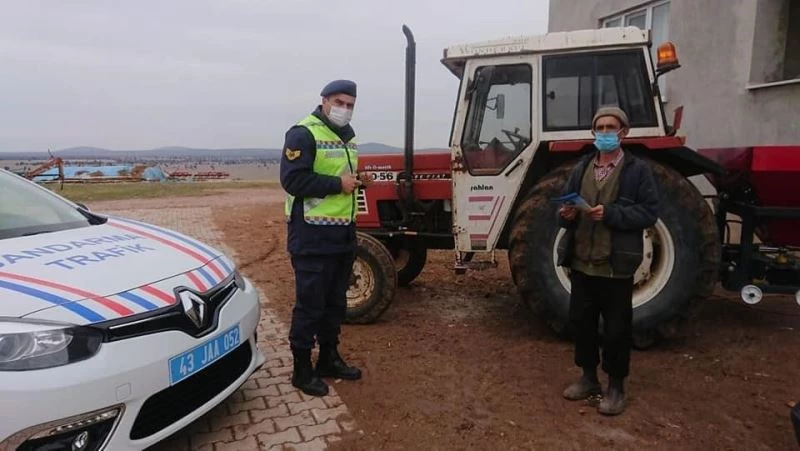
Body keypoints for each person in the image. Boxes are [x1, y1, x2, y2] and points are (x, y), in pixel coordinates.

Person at [555, 106, 659, 415]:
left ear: (623, 132)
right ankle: (588, 378)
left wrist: (611, 213)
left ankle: (616, 387)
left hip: (616, 266)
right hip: (583, 261)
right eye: (599, 127)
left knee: (616, 329)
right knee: (582, 323)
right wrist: (566, 214)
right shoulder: (582, 167)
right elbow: (564, 206)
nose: (604, 132)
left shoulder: (637, 171)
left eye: (610, 127)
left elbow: (649, 212)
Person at [279, 79, 370, 397]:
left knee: (334, 304)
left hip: (342, 235)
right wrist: (338, 185)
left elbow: (341, 180)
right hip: (312, 236)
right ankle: (302, 370)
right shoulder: (303, 133)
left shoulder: (348, 136)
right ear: (324, 100)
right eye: (339, 102)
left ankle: (329, 358)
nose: (344, 109)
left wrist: (355, 183)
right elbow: (293, 180)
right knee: (310, 306)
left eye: (350, 105)